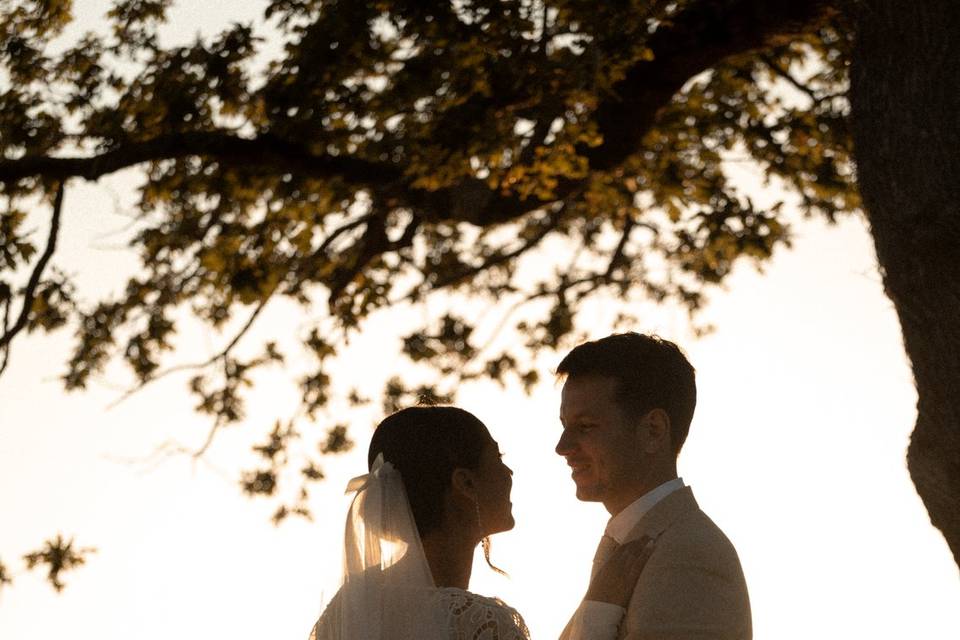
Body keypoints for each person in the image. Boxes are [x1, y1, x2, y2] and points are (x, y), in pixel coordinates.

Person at [309, 405, 651, 640]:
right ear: (466, 484)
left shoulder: (347, 613)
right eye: (497, 457)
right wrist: (600, 607)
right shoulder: (481, 625)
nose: (508, 472)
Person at [555, 332, 752, 640]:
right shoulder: (642, 546)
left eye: (585, 427)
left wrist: (596, 616)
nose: (563, 447)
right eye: (564, 425)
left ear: (653, 430)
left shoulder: (688, 555)